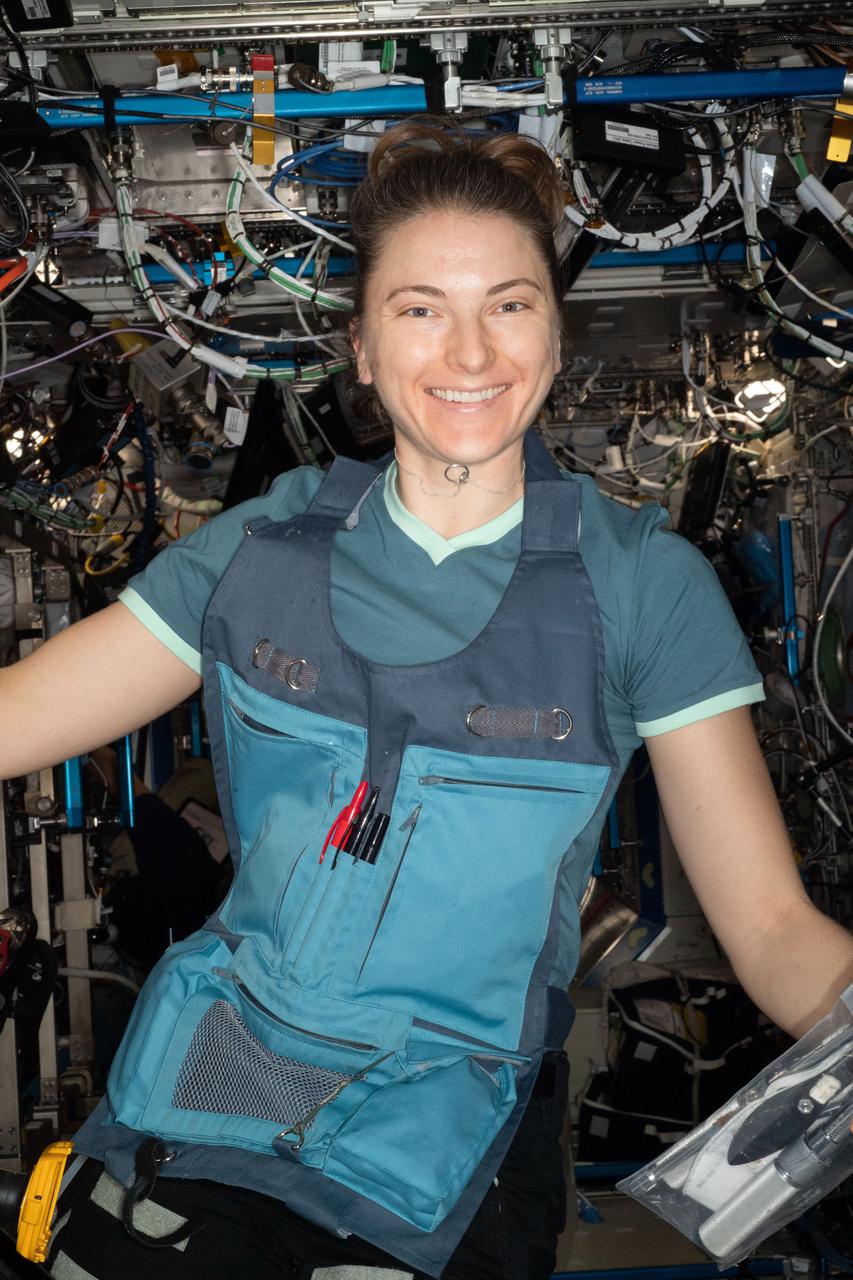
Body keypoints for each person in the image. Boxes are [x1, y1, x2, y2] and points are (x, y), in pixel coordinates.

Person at [1, 120, 851, 1280]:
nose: (468, 351)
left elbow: (770, 932)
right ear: (360, 346)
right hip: (209, 1097)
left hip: (447, 1141)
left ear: (555, 339)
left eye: (508, 304)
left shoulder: (645, 586)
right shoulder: (256, 555)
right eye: (418, 308)